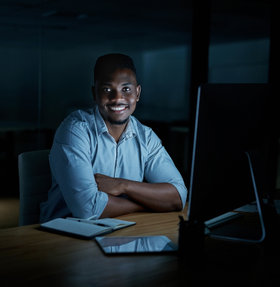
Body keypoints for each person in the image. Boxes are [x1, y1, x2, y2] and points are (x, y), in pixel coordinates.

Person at [40, 53, 187, 222]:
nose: (117, 98)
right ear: (94, 93)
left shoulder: (146, 136)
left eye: (126, 89)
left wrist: (123, 185)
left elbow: (178, 196)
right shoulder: (75, 130)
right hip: (61, 236)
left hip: (120, 231)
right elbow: (88, 209)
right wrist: (148, 203)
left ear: (137, 93)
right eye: (107, 89)